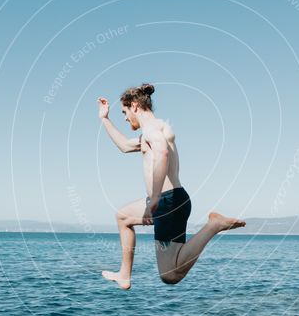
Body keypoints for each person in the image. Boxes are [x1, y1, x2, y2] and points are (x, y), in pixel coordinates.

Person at [97, 83, 245, 289]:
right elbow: (123, 146)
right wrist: (104, 119)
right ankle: (124, 274)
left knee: (170, 275)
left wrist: (155, 198)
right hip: (168, 200)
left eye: (124, 112)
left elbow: (162, 155)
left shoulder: (152, 129)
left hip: (167, 201)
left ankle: (214, 225)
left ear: (135, 106)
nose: (125, 118)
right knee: (122, 217)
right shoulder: (152, 131)